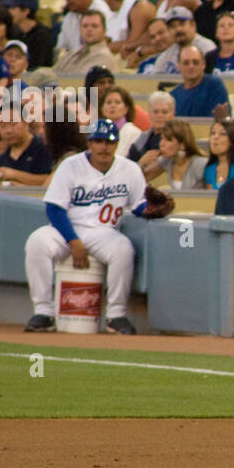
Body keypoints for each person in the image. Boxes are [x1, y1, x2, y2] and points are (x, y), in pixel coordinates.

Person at [22, 118, 166, 334]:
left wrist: (154, 209)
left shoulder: (129, 169)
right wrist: (73, 241)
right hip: (67, 229)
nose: (103, 146)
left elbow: (139, 206)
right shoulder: (71, 166)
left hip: (104, 233)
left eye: (108, 141)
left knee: (123, 249)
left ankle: (116, 316)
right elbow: (54, 208)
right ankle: (44, 312)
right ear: (89, 143)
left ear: (116, 144)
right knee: (37, 242)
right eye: (98, 141)